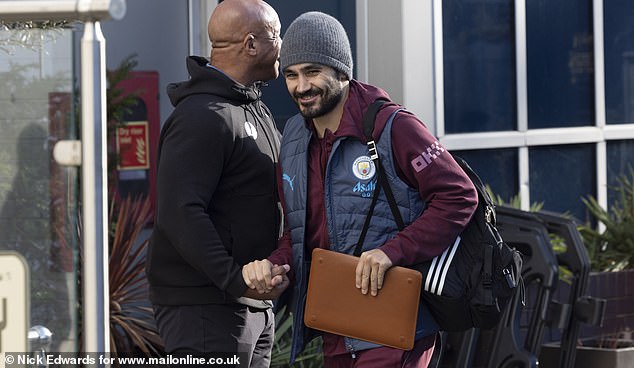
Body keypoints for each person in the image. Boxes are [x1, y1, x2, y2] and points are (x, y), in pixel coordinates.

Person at [242, 11, 479, 368]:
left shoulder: (392, 126)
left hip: (395, 327)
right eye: (291, 75)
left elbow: (459, 196)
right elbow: (298, 233)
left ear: (341, 71)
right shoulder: (292, 137)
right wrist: (276, 265)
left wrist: (392, 252)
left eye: (312, 72)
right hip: (336, 324)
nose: (300, 86)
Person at [145, 0, 289, 366]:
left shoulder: (253, 107)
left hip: (250, 304)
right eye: (277, 36)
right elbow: (180, 213)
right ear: (251, 44)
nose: (282, 46)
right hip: (206, 311)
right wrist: (235, 279)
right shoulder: (203, 117)